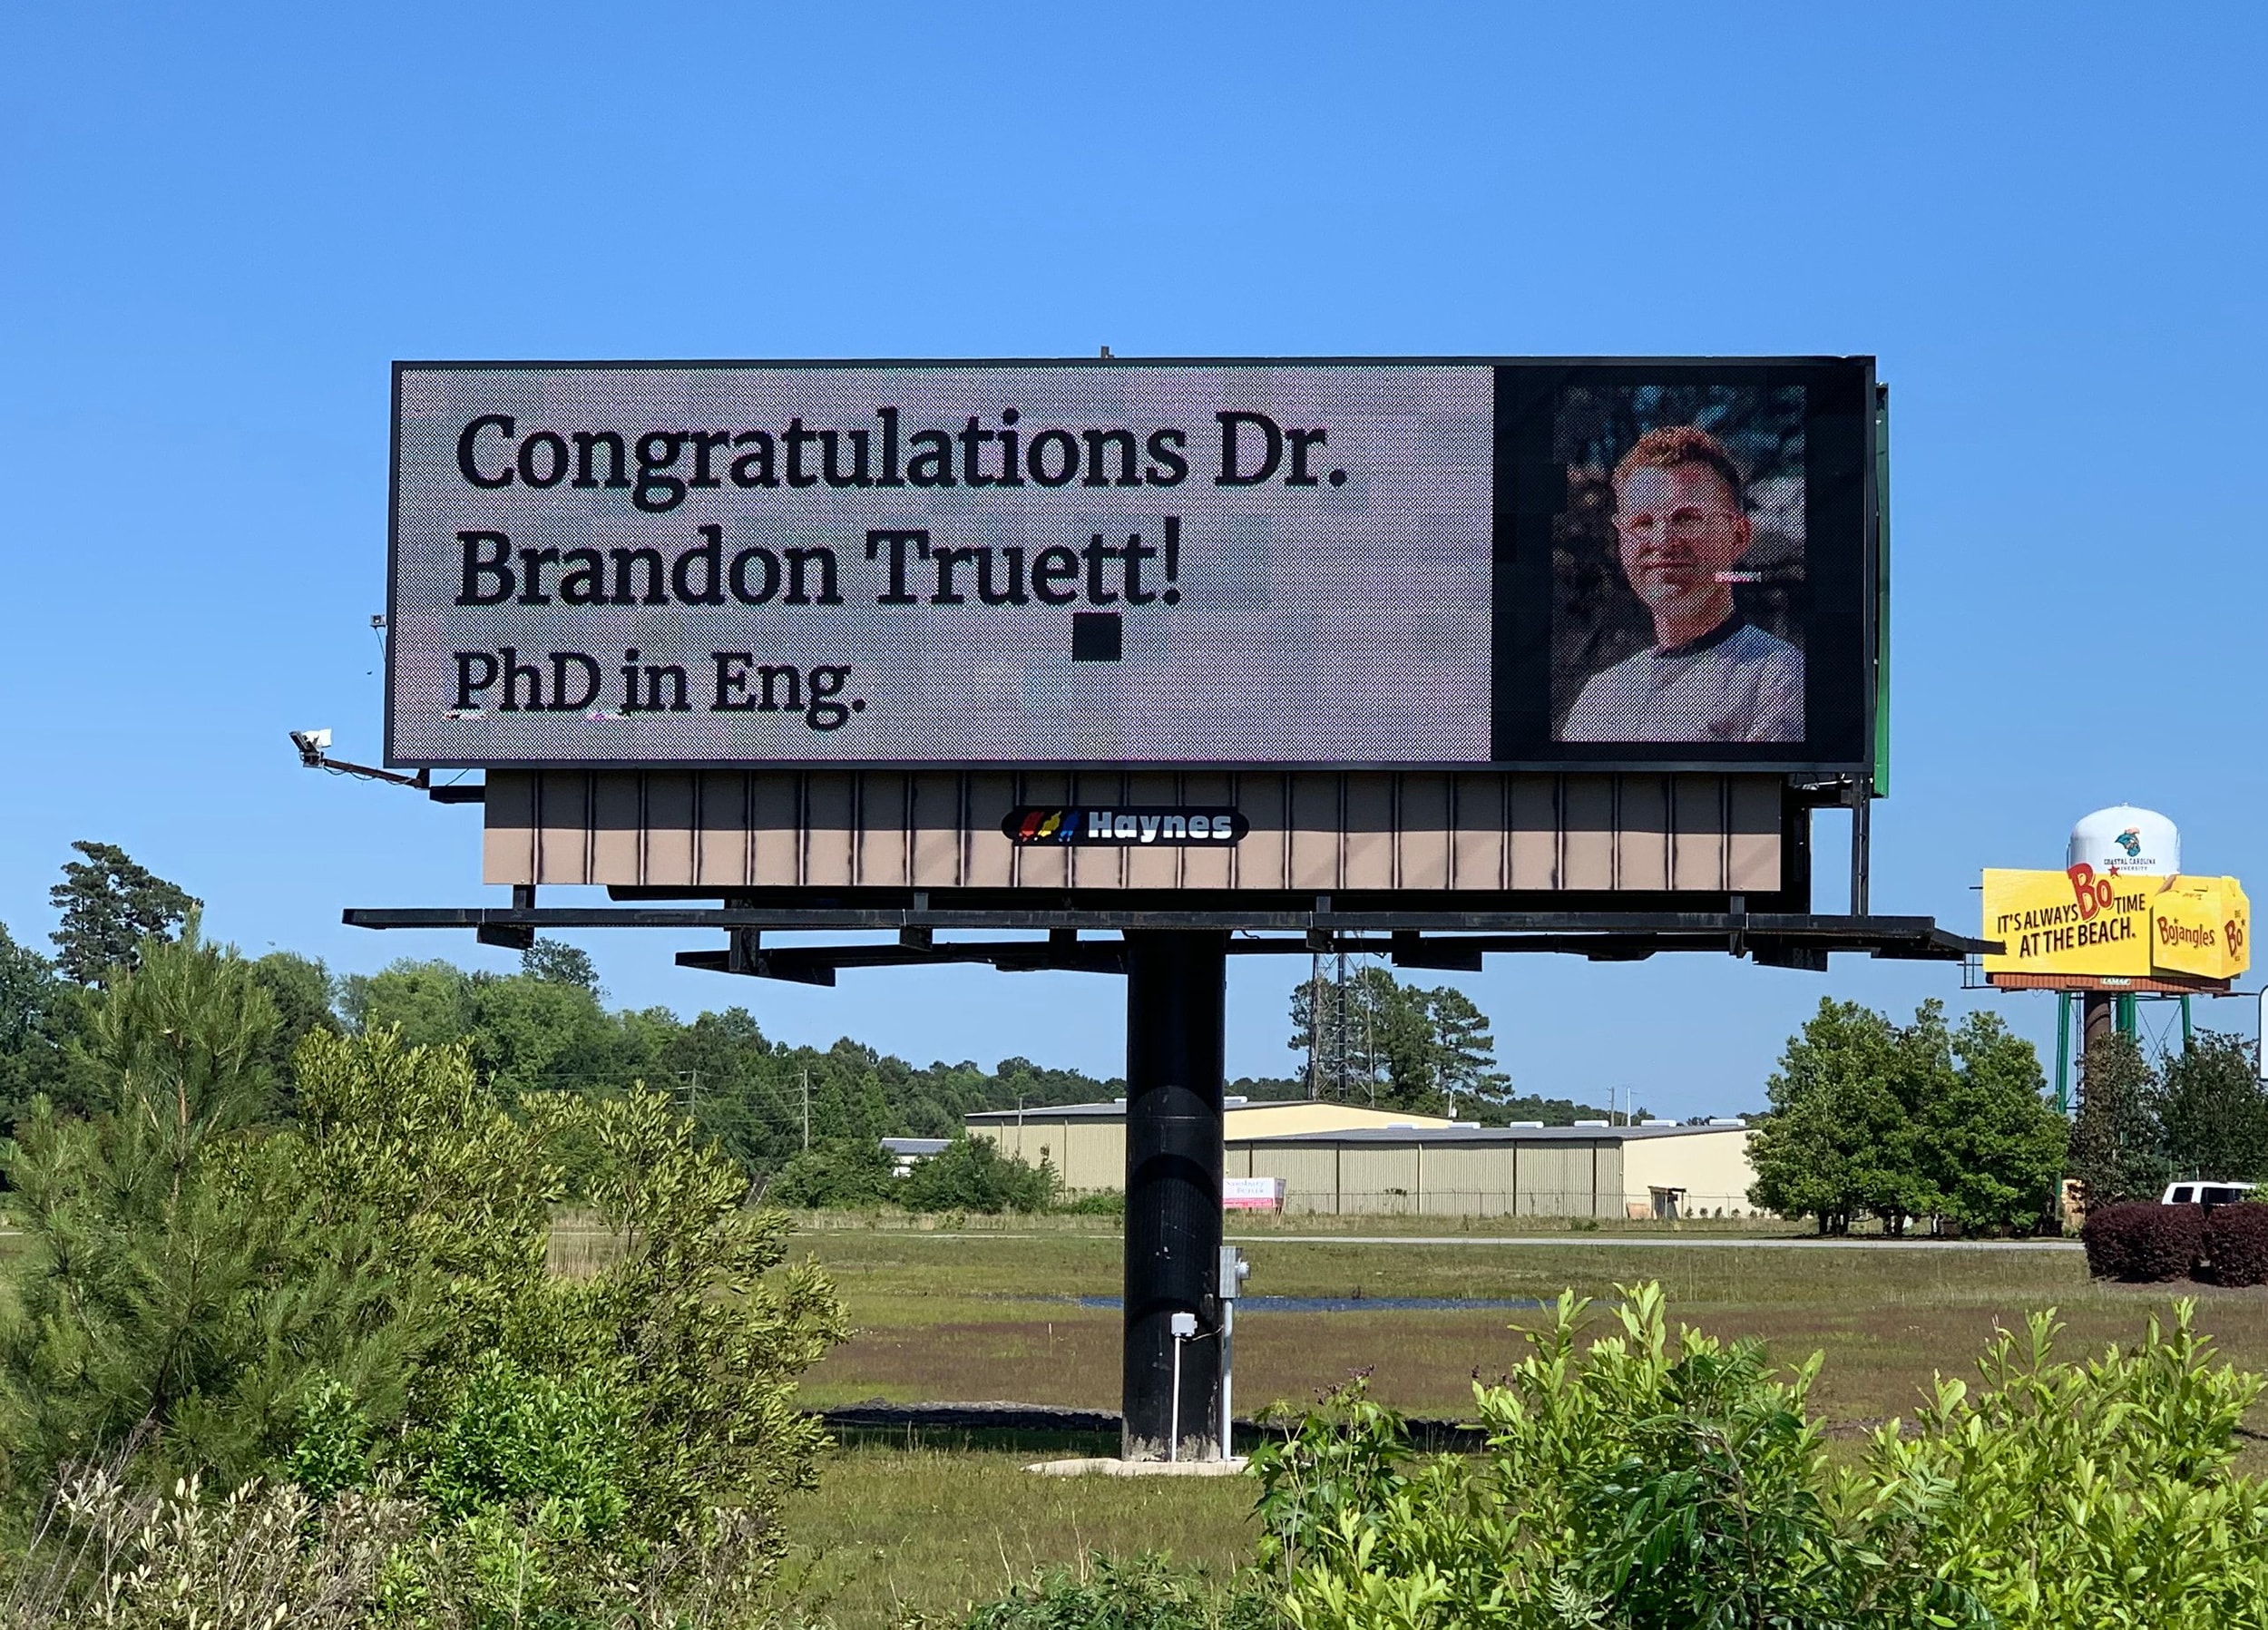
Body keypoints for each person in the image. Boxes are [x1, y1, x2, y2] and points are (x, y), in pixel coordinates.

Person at [1559, 424, 1804, 743]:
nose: (1662, 541)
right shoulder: (1601, 697)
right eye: (1642, 523)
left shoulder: (1778, 675)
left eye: (1687, 519)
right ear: (1621, 540)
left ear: (1738, 536)